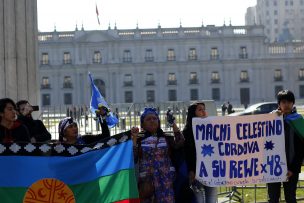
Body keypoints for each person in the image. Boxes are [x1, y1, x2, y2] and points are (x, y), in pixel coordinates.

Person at [131, 107, 184, 203]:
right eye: (148, 119)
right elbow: (133, 158)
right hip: (147, 181)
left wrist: (173, 124)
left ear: (159, 122)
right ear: (142, 124)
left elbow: (180, 143)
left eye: (154, 118)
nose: (152, 121)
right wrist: (134, 139)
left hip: (165, 180)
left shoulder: (166, 138)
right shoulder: (139, 140)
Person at [267, 90, 304, 203]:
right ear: (279, 104)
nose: (286, 104)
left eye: (289, 102)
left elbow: (301, 149)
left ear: (293, 103)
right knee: (273, 198)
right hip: (272, 167)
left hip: (291, 167)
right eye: (283, 102)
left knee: (290, 198)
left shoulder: (299, 121)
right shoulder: (270, 119)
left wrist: (293, 169)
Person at [183, 102, 217, 203]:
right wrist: (191, 170)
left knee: (211, 200)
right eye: (200, 109)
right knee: (199, 200)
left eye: (204, 109)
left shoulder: (212, 128)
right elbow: (188, 153)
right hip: (197, 172)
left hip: (212, 170)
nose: (203, 112)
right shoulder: (188, 131)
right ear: (193, 113)